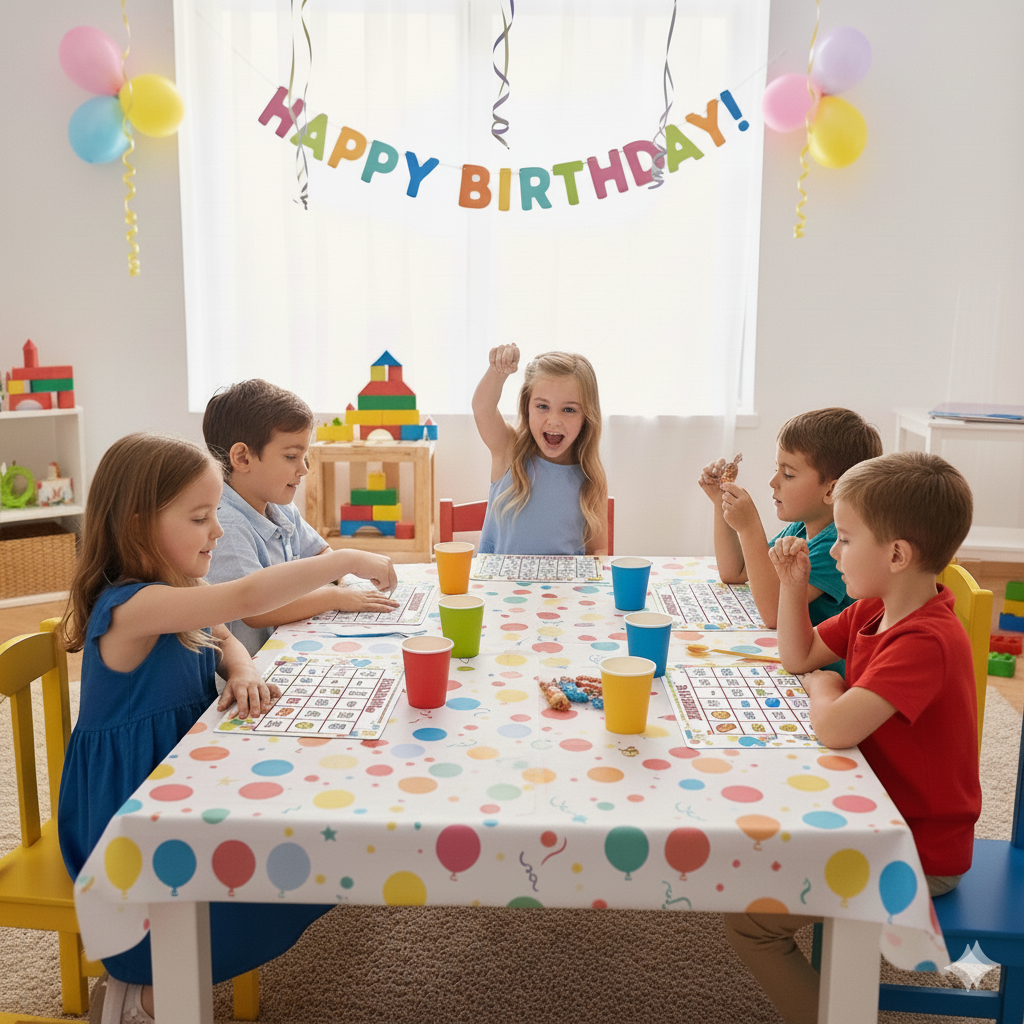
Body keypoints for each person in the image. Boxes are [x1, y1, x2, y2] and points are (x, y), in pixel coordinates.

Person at [56, 432, 397, 1023]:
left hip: (184, 786)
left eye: (215, 514)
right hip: (126, 823)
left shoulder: (182, 590)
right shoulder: (130, 608)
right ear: (137, 526)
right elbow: (243, 598)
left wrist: (241, 668)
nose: (217, 531)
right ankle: (143, 997)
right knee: (275, 878)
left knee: (313, 852)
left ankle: (161, 980)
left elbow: (224, 637)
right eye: (200, 518)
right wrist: (341, 561)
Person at [724, 450, 981, 1024]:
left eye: (843, 539)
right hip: (877, 815)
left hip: (916, 849)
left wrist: (827, 685)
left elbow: (833, 725)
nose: (832, 552)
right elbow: (798, 656)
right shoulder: (875, 608)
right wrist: (792, 586)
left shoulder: (926, 640)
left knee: (750, 921)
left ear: (896, 555)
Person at [203, 378, 399, 656]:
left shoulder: (279, 507)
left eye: (304, 456)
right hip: (252, 668)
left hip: (288, 646)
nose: (304, 470)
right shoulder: (226, 525)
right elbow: (256, 611)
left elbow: (320, 554)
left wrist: (343, 580)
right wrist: (335, 594)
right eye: (291, 457)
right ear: (243, 458)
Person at [698, 407, 883, 629]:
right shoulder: (801, 529)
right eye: (776, 469)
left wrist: (749, 528)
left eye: (788, 474)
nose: (772, 482)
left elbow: (774, 613)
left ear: (831, 491)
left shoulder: (837, 546)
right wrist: (720, 503)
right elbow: (735, 572)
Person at [472, 344, 608, 556]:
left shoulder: (590, 478)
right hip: (497, 578)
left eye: (569, 409)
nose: (554, 420)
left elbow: (597, 549)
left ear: (586, 417)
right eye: (542, 406)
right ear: (527, 407)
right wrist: (498, 372)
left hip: (564, 579)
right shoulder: (509, 449)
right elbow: (483, 408)